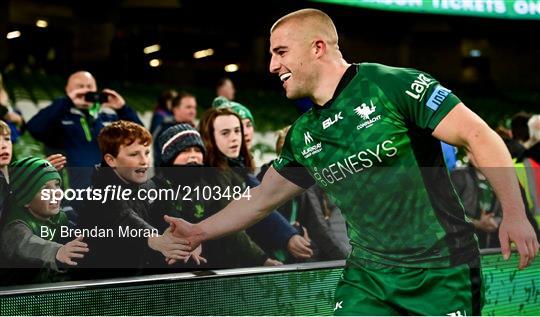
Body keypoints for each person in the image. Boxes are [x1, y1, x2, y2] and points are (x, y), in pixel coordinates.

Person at [164, 8, 538, 316]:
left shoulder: (392, 86)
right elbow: (260, 200)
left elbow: (479, 135)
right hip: (368, 278)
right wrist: (199, 230)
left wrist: (514, 212)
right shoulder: (303, 135)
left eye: (280, 52)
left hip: (441, 273)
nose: (272, 66)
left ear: (317, 47)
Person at [76, 121, 198, 278]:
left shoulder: (149, 184)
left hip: (142, 277)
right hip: (105, 285)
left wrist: (189, 238)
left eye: (146, 153)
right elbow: (123, 218)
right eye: (134, 154)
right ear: (111, 160)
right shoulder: (100, 194)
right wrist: (156, 239)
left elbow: (168, 214)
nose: (144, 161)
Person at [157, 123, 280, 268]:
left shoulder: (210, 187)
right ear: (169, 157)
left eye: (197, 150)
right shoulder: (155, 188)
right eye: (184, 151)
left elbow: (231, 229)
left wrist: (261, 259)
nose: (193, 155)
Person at [198, 107, 313, 260]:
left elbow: (261, 201)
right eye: (225, 133)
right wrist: (262, 260)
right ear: (209, 138)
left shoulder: (238, 169)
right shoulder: (212, 175)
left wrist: (289, 234)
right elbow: (231, 224)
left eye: (237, 131)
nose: (234, 138)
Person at [26, 71, 143, 189]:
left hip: (108, 194)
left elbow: (140, 137)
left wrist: (122, 108)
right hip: (72, 197)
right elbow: (34, 128)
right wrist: (67, 102)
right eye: (80, 87)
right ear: (68, 90)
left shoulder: (108, 117)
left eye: (89, 86)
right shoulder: (58, 118)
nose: (85, 90)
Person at [0, 157, 89, 285]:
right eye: (45, 189)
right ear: (26, 199)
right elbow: (27, 245)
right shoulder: (14, 227)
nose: (56, 193)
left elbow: (76, 234)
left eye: (57, 185)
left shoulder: (58, 216)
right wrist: (57, 251)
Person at [153, 92, 198, 165]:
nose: (193, 111)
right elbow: (161, 161)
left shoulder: (193, 129)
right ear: (176, 109)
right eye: (188, 107)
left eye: (194, 107)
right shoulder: (165, 129)